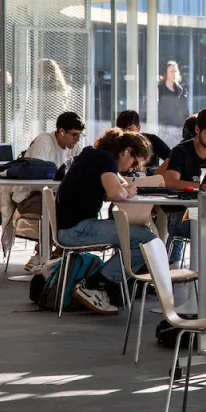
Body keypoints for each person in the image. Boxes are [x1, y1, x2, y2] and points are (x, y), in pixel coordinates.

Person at [55, 128, 156, 314]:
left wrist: (124, 188)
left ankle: (102, 286)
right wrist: (127, 192)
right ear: (126, 151)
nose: (132, 169)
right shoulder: (105, 160)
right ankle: (94, 286)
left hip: (70, 226)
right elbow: (116, 193)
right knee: (147, 240)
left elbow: (121, 184)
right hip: (77, 229)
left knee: (138, 236)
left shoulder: (95, 155)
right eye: (134, 163)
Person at [162, 107, 206, 301]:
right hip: (180, 217)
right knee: (203, 229)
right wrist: (203, 187)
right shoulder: (181, 151)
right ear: (197, 130)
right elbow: (170, 181)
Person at [13, 111, 85, 272]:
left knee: (78, 206)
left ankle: (56, 256)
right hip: (28, 197)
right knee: (59, 207)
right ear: (61, 132)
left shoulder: (74, 147)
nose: (77, 139)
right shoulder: (44, 141)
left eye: (80, 135)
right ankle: (42, 256)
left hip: (55, 196)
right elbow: (38, 176)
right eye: (74, 135)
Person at [158, 61, 189, 143]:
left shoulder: (182, 91)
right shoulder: (159, 90)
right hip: (163, 128)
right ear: (166, 73)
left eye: (176, 71)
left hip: (177, 129)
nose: (174, 73)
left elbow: (185, 111)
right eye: (172, 71)